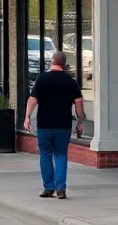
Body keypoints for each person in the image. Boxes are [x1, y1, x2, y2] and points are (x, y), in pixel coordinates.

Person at [25, 50, 84, 200]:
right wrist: (80, 122)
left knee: (45, 154)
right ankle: (61, 188)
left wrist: (27, 117)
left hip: (44, 124)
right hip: (63, 125)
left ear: (53, 61)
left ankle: (49, 187)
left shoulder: (43, 79)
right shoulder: (71, 82)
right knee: (61, 154)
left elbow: (32, 100)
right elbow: (79, 104)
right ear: (64, 64)